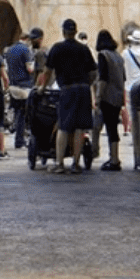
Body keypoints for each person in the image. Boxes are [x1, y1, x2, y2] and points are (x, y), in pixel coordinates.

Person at [45, 20, 97, 175]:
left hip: (67, 89)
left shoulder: (57, 48)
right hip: (83, 89)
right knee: (80, 128)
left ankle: (60, 163)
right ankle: (76, 163)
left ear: (63, 32)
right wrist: (87, 84)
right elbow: (93, 73)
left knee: (64, 126)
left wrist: (42, 87)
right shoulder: (84, 49)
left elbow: (47, 71)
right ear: (75, 32)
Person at [94, 29, 128, 171]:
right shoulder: (118, 57)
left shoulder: (103, 55)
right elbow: (124, 77)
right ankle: (114, 157)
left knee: (101, 125)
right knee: (113, 128)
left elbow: (103, 78)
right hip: (118, 96)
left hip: (107, 96)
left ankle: (111, 158)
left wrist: (97, 97)